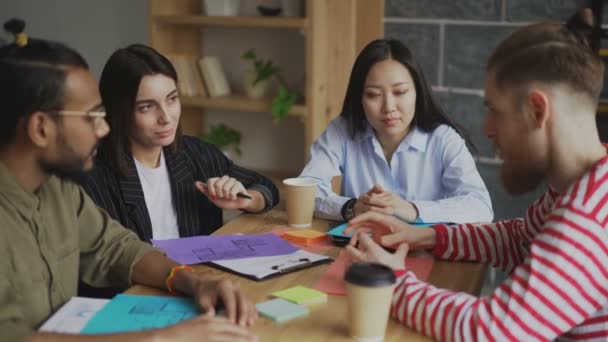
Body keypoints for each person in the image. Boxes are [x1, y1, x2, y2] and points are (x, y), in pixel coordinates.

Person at [345, 8, 608, 341]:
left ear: (538, 111)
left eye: (495, 112)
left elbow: (488, 330)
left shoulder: (585, 221)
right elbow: (518, 240)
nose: (487, 130)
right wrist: (424, 236)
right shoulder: (584, 185)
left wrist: (392, 280)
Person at [0, 19, 257, 341]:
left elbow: (117, 249)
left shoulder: (58, 189)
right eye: (92, 116)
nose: (105, 129)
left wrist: (194, 281)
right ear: (40, 129)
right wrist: (160, 337)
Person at [81, 44, 279, 242]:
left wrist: (245, 200)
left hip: (202, 271)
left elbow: (266, 188)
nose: (166, 117)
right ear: (118, 111)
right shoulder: (93, 177)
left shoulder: (196, 154)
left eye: (172, 99)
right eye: (147, 107)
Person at [299, 39, 493, 224]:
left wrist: (412, 209)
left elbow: (480, 206)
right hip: (361, 246)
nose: (388, 107)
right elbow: (305, 190)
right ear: (359, 97)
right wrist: (351, 207)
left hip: (425, 252)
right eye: (374, 95)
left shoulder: (443, 139)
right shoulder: (343, 130)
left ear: (417, 91)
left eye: (400, 92)